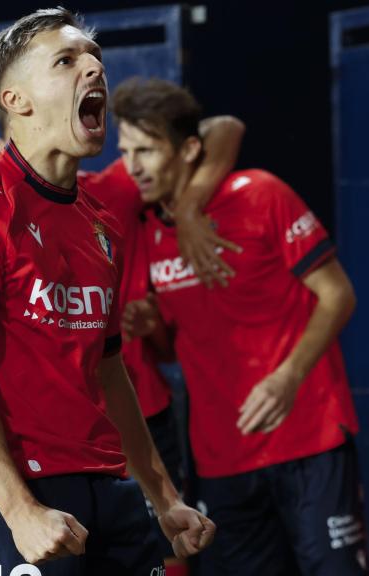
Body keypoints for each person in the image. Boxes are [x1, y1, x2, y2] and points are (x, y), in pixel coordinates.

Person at [0, 8, 214, 575]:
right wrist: (19, 510)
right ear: (16, 100)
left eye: (95, 58)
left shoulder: (99, 222)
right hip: (4, 491)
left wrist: (164, 496)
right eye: (67, 60)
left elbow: (109, 369)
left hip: (104, 484)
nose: (94, 69)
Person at [115, 77, 368, 575]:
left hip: (308, 437)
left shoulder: (259, 195)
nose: (132, 166)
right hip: (221, 458)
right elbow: (172, 349)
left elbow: (339, 294)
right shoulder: (147, 227)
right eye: (125, 150)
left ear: (189, 150)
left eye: (146, 150)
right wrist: (150, 327)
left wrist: (289, 374)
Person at [81, 113, 244, 573]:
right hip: (64, 432)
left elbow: (225, 128)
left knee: (170, 550)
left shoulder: (109, 190)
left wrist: (190, 205)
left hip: (141, 411)